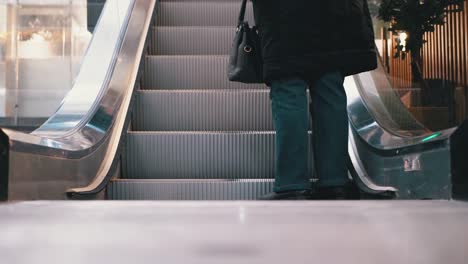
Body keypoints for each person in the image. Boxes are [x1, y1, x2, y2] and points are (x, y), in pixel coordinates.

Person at [253, 0, 378, 199]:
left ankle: (292, 185)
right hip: (331, 16)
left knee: (288, 93)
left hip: (282, 21)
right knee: (329, 91)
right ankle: (335, 182)